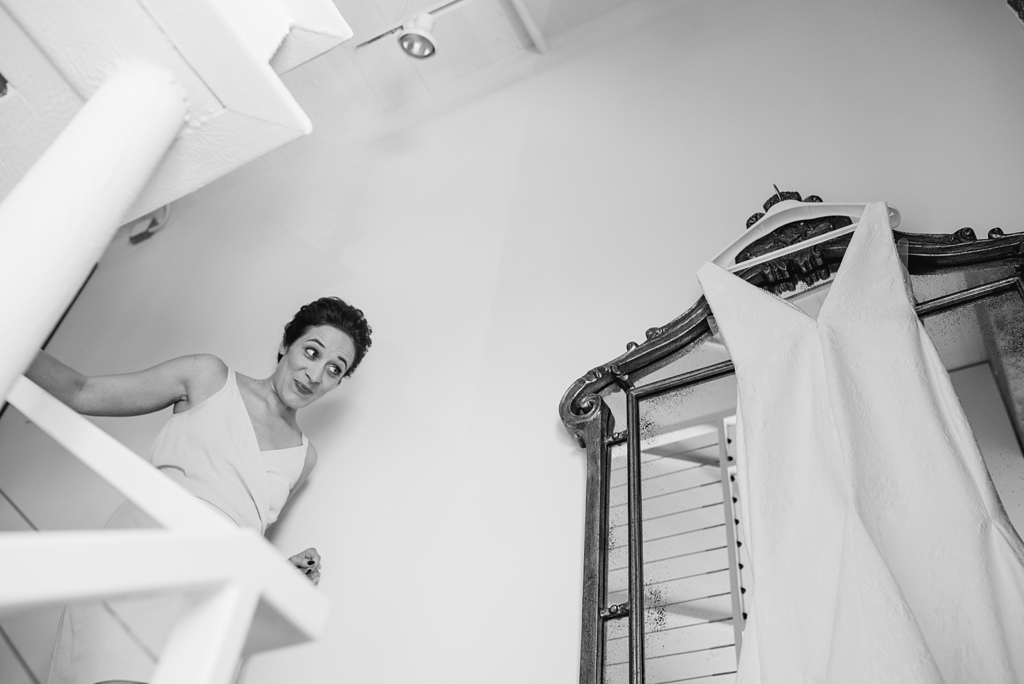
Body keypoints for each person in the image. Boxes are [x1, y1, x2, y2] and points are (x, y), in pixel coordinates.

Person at [27, 296, 372, 684]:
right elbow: (83, 391)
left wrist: (279, 572)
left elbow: (243, 528)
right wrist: (12, 342)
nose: (315, 374)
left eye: (333, 369)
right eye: (311, 352)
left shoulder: (305, 458)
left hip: (210, 601)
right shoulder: (207, 377)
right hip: (145, 563)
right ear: (285, 345)